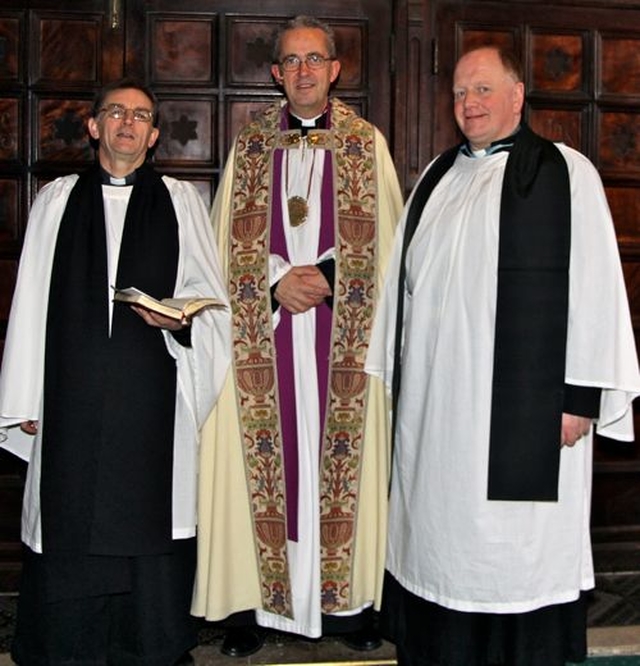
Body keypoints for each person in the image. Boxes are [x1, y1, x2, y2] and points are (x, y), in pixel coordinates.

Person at [366, 45, 640, 666]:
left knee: (514, 554)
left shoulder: (564, 173)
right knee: (438, 544)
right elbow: (398, 291)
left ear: (518, 95)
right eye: (461, 93)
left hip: (526, 419)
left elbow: (595, 288)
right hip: (438, 417)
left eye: (483, 90)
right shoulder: (436, 177)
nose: (469, 104)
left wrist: (578, 397)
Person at [191, 14, 403, 657]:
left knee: (345, 463)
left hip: (345, 343)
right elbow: (219, 249)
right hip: (269, 337)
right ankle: (252, 608)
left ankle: (350, 606)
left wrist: (332, 276)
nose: (304, 71)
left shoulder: (368, 144)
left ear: (335, 70)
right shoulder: (250, 146)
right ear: (276, 73)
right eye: (292, 60)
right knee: (258, 466)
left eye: (316, 59)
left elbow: (392, 249)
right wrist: (275, 281)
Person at [0, 78, 231, 665]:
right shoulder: (57, 199)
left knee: (149, 516)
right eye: (116, 112)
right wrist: (23, 401)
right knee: (69, 512)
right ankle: (67, 647)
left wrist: (179, 323)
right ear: (95, 126)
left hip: (151, 399)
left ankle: (148, 644)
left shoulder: (180, 202)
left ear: (154, 136)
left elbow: (211, 301)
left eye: (142, 116)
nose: (129, 123)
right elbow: (29, 302)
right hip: (69, 400)